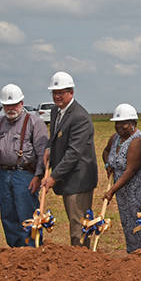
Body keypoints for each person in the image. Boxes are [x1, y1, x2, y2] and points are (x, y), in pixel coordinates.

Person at [0, 84, 49, 247]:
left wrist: (38, 176)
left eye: (14, 104)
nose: (11, 108)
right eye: (7, 105)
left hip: (25, 175)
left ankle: (31, 250)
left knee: (27, 214)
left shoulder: (35, 122)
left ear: (21, 103)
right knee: (8, 214)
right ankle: (15, 251)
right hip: (4, 174)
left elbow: (42, 153)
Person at [40, 71, 99, 247]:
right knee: (75, 222)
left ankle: (82, 262)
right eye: (54, 92)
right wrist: (49, 148)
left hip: (79, 180)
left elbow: (74, 153)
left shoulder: (80, 117)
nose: (57, 96)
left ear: (71, 93)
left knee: (78, 225)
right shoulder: (55, 111)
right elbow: (55, 135)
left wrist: (53, 177)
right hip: (68, 177)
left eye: (61, 92)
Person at [101, 104, 141, 253]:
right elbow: (106, 151)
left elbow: (130, 170)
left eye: (124, 123)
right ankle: (132, 254)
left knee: (138, 222)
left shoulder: (137, 141)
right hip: (122, 191)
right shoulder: (115, 138)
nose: (120, 126)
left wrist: (111, 191)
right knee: (127, 222)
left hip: (136, 190)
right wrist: (108, 164)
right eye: (117, 123)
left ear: (133, 123)